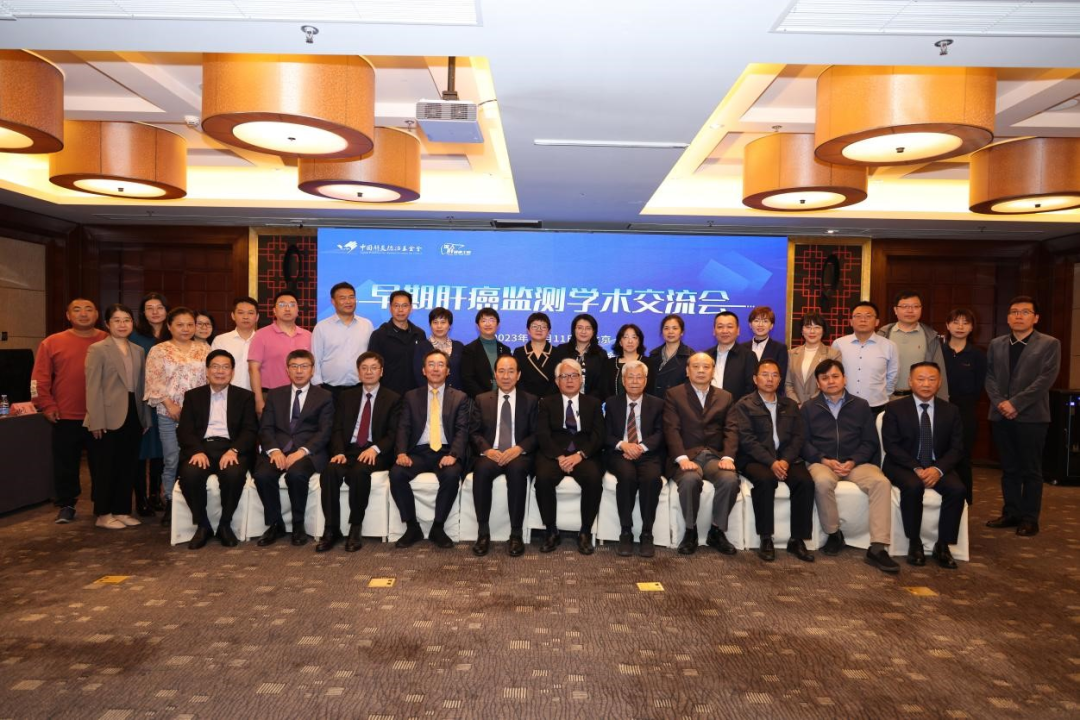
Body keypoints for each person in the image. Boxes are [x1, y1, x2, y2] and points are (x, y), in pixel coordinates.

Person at [801, 358, 899, 574]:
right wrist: (824, 459)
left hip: (856, 463)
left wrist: (853, 460)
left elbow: (870, 441)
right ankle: (834, 533)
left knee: (881, 483)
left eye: (835, 376)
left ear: (844, 379)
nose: (831, 381)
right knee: (822, 482)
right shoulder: (808, 408)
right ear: (818, 383)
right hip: (823, 462)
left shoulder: (861, 405)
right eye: (825, 378)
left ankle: (878, 547)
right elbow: (803, 442)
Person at [985, 296, 1061, 537]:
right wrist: (1001, 403)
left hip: (1032, 416)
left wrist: (1015, 403)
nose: (1019, 316)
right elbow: (989, 377)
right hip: (1001, 415)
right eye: (1014, 311)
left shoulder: (1049, 344)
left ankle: (1029, 518)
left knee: (1031, 470)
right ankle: (1011, 513)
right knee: (1009, 468)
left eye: (1025, 312)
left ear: (1036, 318)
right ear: (1008, 318)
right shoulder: (996, 344)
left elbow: (1046, 379)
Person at [881, 362, 965, 569]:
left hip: (937, 465)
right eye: (920, 379)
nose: (926, 384)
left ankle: (943, 545)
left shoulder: (951, 410)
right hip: (903, 464)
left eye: (931, 379)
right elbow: (891, 445)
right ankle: (914, 542)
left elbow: (957, 448)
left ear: (939, 382)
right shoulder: (894, 408)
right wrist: (916, 468)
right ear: (910, 382)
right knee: (913, 486)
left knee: (957, 489)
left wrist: (937, 470)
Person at [316, 351, 401, 553]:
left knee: (359, 472)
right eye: (364, 368)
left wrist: (375, 449)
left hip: (376, 451)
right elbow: (337, 428)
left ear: (381, 372)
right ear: (358, 372)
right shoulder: (346, 396)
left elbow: (393, 433)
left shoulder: (393, 398)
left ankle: (355, 527)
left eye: (373, 368)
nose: (369, 372)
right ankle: (331, 529)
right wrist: (338, 452)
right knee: (330, 471)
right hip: (348, 451)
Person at [32, 298, 107, 524]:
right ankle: (66, 504)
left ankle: (103, 505)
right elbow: (39, 378)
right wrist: (47, 405)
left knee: (102, 463)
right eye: (77, 310)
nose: (83, 314)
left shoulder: (108, 339)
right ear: (68, 315)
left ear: (96, 314)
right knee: (65, 464)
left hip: (101, 415)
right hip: (64, 415)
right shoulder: (52, 342)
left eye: (88, 309)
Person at [731, 358, 815, 563]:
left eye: (774, 375)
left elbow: (798, 437)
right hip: (756, 459)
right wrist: (771, 462)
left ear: (779, 380)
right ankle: (766, 537)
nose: (770, 379)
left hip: (787, 458)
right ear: (755, 379)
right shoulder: (744, 405)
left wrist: (785, 460)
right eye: (765, 374)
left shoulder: (790, 405)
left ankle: (797, 539)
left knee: (804, 482)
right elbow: (747, 440)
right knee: (765, 480)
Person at [176, 349, 258, 550]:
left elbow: (250, 430)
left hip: (230, 448)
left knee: (233, 474)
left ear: (232, 372)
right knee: (190, 474)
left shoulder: (245, 397)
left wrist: (234, 450)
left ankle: (225, 524)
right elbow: (185, 429)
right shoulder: (193, 396)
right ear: (207, 371)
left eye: (225, 367)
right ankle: (203, 525)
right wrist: (196, 451)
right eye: (215, 366)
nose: (220, 371)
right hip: (201, 447)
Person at [391, 349, 471, 549]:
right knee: (397, 473)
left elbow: (462, 430)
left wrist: (453, 455)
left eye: (441, 365)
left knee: (451, 475)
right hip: (418, 452)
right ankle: (412, 527)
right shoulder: (411, 396)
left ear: (448, 371)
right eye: (431, 365)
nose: (436, 369)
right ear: (424, 370)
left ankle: (438, 527)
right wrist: (401, 452)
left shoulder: (460, 397)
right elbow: (403, 427)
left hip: (445, 452)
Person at [252, 349, 334, 547]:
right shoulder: (275, 395)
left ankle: (298, 525)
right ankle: (275, 524)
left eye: (304, 366)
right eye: (294, 366)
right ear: (287, 370)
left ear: (312, 370)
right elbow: (266, 427)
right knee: (263, 475)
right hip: (278, 449)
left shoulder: (324, 396)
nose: (299, 371)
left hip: (308, 452)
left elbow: (325, 431)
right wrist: (274, 450)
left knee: (296, 475)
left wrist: (302, 451)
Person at [664, 352, 740, 556]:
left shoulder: (725, 396)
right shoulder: (674, 394)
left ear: (713, 371)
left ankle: (717, 530)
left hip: (715, 456)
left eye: (706, 367)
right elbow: (671, 429)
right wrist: (682, 459)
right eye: (696, 366)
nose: (701, 370)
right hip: (687, 455)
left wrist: (728, 457)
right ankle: (690, 531)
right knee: (689, 479)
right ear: (687, 371)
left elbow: (731, 429)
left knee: (730, 480)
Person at [84, 303, 151, 530]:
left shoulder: (138, 350)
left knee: (128, 464)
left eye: (127, 320)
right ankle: (103, 514)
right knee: (106, 467)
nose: (122, 325)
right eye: (117, 320)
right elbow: (92, 387)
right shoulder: (98, 349)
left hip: (133, 413)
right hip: (106, 415)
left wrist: (144, 417)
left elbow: (141, 387)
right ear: (107, 324)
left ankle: (122, 510)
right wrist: (96, 420)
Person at [144, 307, 210, 525]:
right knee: (172, 458)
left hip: (199, 415)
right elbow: (154, 380)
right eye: (180, 325)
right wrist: (169, 404)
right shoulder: (159, 350)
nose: (186, 329)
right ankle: (171, 502)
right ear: (169, 326)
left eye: (190, 324)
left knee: (195, 457)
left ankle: (194, 503)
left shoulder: (204, 349)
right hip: (169, 413)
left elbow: (211, 379)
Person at [469, 355, 538, 557]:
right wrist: (487, 450)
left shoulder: (531, 400)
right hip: (492, 453)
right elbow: (474, 432)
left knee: (517, 471)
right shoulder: (482, 400)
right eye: (501, 371)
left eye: (511, 371)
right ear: (495, 375)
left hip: (518, 454)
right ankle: (483, 532)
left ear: (518, 375)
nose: (506, 376)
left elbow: (537, 434)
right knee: (481, 470)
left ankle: (516, 534)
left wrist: (518, 449)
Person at [535, 358, 605, 555]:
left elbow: (599, 435)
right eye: (564, 376)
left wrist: (581, 455)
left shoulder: (593, 403)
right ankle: (551, 530)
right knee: (543, 478)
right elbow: (542, 434)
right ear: (557, 381)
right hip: (555, 454)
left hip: (583, 454)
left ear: (581, 379)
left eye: (574, 375)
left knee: (593, 479)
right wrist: (559, 456)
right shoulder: (546, 403)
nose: (570, 380)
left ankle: (585, 532)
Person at [604, 359, 664, 558]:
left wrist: (641, 447)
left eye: (639, 377)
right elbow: (605, 434)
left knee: (652, 479)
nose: (635, 381)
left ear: (646, 380)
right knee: (627, 477)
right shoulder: (612, 403)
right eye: (631, 377)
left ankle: (647, 533)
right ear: (623, 380)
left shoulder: (657, 404)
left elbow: (661, 433)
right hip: (619, 453)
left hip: (648, 453)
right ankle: (626, 531)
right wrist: (624, 445)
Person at [940, 308, 986, 504]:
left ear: (972, 327)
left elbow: (979, 387)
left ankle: (965, 504)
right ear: (947, 325)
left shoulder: (978, 355)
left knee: (962, 457)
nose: (960, 326)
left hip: (965, 411)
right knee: (939, 456)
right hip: (939, 410)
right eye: (955, 322)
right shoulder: (938, 352)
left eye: (965, 323)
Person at [131, 292, 169, 515]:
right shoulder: (134, 336)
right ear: (143, 312)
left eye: (159, 307)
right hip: (141, 401)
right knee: (140, 451)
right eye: (149, 308)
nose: (155, 312)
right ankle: (141, 498)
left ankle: (155, 494)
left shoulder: (172, 334)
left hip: (166, 402)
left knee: (161, 451)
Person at [248, 290, 313, 416]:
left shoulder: (308, 336)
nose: (287, 308)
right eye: (282, 305)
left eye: (292, 304)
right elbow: (253, 369)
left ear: (298, 310)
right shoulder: (261, 335)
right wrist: (258, 400)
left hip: (301, 396)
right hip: (270, 395)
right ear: (274, 310)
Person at [879, 290, 949, 401]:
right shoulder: (882, 335)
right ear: (895, 310)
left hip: (919, 399)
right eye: (905, 306)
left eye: (915, 306)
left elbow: (939, 371)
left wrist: (942, 401)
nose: (910, 310)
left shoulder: (930, 337)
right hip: (886, 398)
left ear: (921, 309)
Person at [831, 301, 898, 415]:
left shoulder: (889, 346)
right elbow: (833, 373)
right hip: (844, 404)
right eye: (858, 316)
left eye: (868, 316)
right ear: (851, 322)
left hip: (876, 406)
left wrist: (881, 395)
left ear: (877, 322)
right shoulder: (839, 344)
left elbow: (892, 376)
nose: (863, 320)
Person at [311, 281, 374, 402]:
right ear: (333, 301)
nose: (348, 301)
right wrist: (317, 386)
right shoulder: (322, 327)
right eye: (343, 298)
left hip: (360, 388)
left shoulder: (367, 325)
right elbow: (315, 358)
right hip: (329, 389)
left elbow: (371, 356)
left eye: (351, 297)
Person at [369, 289, 426, 396]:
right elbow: (372, 365)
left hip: (414, 393)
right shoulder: (379, 335)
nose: (400, 310)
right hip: (387, 393)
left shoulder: (419, 334)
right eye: (396, 306)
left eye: (404, 306)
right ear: (390, 308)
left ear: (411, 308)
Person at [786, 312, 841, 406]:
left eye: (817, 327)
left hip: (822, 406)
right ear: (802, 331)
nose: (812, 331)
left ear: (823, 331)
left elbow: (831, 383)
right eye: (808, 327)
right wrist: (797, 404)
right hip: (796, 407)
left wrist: (810, 405)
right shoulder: (791, 353)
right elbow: (788, 384)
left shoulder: (833, 354)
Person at [552, 314, 607, 400]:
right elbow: (555, 378)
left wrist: (587, 402)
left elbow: (602, 385)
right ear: (574, 330)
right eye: (580, 328)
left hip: (590, 402)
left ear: (593, 331)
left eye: (588, 328)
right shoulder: (561, 350)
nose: (583, 332)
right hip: (562, 401)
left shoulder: (600, 354)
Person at [461, 307, 511, 398]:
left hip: (503, 397)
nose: (488, 324)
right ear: (477, 325)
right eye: (484, 321)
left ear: (498, 324)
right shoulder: (469, 349)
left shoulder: (505, 350)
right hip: (479, 399)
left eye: (492, 320)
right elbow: (467, 379)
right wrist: (484, 398)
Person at [706, 311, 756, 402]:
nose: (725, 331)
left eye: (729, 327)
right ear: (714, 331)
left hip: (737, 408)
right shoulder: (706, 356)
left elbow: (751, 389)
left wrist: (738, 407)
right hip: (707, 407)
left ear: (738, 330)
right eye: (720, 327)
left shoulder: (748, 356)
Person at [211, 296, 259, 391]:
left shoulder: (263, 340)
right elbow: (213, 369)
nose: (245, 317)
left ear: (257, 317)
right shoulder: (221, 340)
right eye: (241, 313)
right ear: (233, 315)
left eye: (250, 313)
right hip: (227, 393)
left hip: (255, 394)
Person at [413, 307, 466, 391]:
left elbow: (463, 374)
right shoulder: (421, 347)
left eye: (443, 322)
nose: (439, 326)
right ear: (430, 325)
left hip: (455, 395)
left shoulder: (459, 346)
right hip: (429, 394)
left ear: (450, 325)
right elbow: (418, 374)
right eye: (435, 322)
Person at [646, 314, 694, 400]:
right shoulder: (653, 354)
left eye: (675, 328)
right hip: (655, 402)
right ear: (662, 332)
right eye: (666, 328)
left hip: (678, 402)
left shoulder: (690, 356)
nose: (670, 332)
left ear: (682, 332)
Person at [514, 312, 557, 399]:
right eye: (534, 326)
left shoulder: (557, 352)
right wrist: (529, 398)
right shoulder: (519, 352)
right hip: (525, 400)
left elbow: (558, 379)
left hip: (550, 400)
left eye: (543, 327)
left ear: (549, 331)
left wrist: (547, 399)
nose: (539, 329)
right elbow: (517, 378)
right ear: (528, 330)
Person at [600, 323, 646, 400]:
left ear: (639, 342)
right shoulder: (609, 364)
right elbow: (604, 390)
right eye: (625, 337)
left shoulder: (648, 363)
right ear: (620, 342)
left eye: (634, 337)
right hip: (613, 406)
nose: (630, 341)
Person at [743, 306, 789, 381]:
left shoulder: (780, 349)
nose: (760, 324)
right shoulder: (742, 348)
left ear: (771, 326)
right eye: (756, 320)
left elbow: (781, 377)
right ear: (750, 325)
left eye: (765, 321)